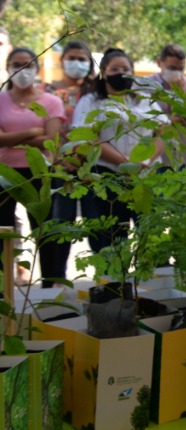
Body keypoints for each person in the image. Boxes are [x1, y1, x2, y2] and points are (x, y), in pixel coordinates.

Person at [71, 49, 165, 253]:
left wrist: (144, 163)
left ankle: (152, 282)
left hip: (145, 176)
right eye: (115, 69)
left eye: (126, 69)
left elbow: (163, 133)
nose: (120, 73)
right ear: (104, 72)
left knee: (152, 236)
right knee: (112, 238)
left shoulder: (144, 100)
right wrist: (125, 162)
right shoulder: (91, 101)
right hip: (107, 176)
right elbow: (87, 138)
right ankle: (113, 284)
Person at [0, 47, 67, 285]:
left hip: (40, 171)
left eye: (27, 65)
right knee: (2, 231)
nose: (21, 70)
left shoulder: (50, 101)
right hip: (4, 174)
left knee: (44, 231)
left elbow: (52, 140)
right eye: (16, 64)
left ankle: (50, 287)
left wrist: (12, 137)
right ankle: (3, 289)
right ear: (7, 67)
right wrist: (31, 132)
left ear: (36, 69)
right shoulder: (1, 100)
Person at [45, 40, 96, 281]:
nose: (77, 63)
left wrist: (83, 159)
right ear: (62, 59)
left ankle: (107, 279)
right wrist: (63, 160)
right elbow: (48, 132)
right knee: (62, 223)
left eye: (83, 59)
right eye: (72, 58)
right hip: (60, 168)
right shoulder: (48, 91)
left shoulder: (96, 92)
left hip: (92, 167)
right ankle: (57, 279)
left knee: (97, 223)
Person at [146, 43, 186, 170]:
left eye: (181, 69)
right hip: (155, 158)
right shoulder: (146, 85)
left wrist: (179, 94)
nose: (177, 73)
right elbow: (146, 121)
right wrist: (176, 119)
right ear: (159, 62)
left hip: (185, 157)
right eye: (172, 68)